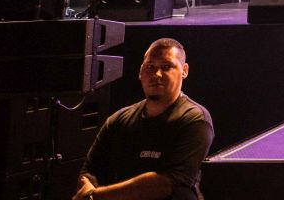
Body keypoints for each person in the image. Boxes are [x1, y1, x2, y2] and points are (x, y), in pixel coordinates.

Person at [75, 38, 214, 200]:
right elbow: (89, 172)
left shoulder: (195, 120)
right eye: (150, 67)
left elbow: (166, 183)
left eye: (166, 67)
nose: (157, 74)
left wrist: (96, 196)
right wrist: (88, 193)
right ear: (140, 72)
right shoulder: (118, 120)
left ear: (184, 71)